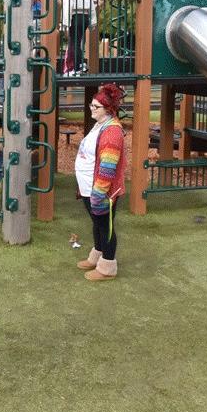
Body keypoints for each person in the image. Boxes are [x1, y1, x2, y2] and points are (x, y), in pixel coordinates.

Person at [75, 83, 127, 281]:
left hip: (101, 190)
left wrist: (99, 192)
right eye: (91, 105)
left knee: (106, 227)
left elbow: (108, 166)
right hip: (90, 187)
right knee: (97, 224)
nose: (91, 109)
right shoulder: (101, 124)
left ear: (108, 109)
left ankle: (108, 267)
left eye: (95, 107)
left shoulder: (112, 132)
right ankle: (97, 255)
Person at [61, 0, 95, 75]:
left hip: (75, 16)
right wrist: (93, 21)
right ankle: (78, 65)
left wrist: (65, 23)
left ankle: (77, 66)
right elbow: (92, 7)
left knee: (74, 42)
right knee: (77, 41)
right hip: (85, 17)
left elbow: (67, 8)